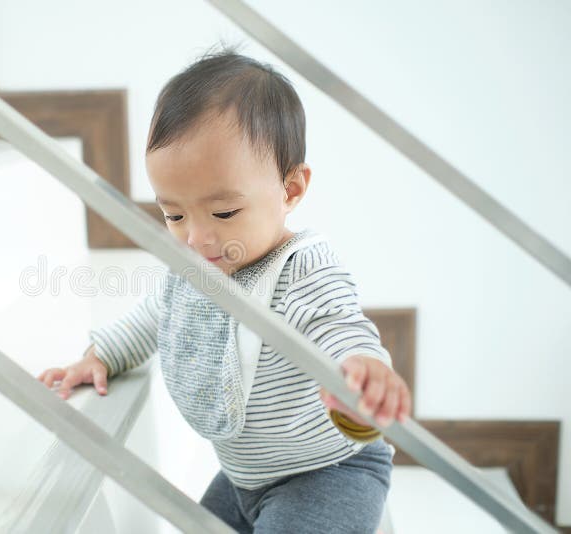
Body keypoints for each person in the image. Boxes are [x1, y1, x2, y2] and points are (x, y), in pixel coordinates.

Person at [37, 50, 411, 533]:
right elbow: (159, 315)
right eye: (174, 215)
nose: (196, 237)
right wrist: (102, 354)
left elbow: (338, 324)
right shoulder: (201, 266)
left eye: (224, 213)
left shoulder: (303, 269)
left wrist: (363, 371)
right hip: (245, 478)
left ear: (291, 189)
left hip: (328, 473)